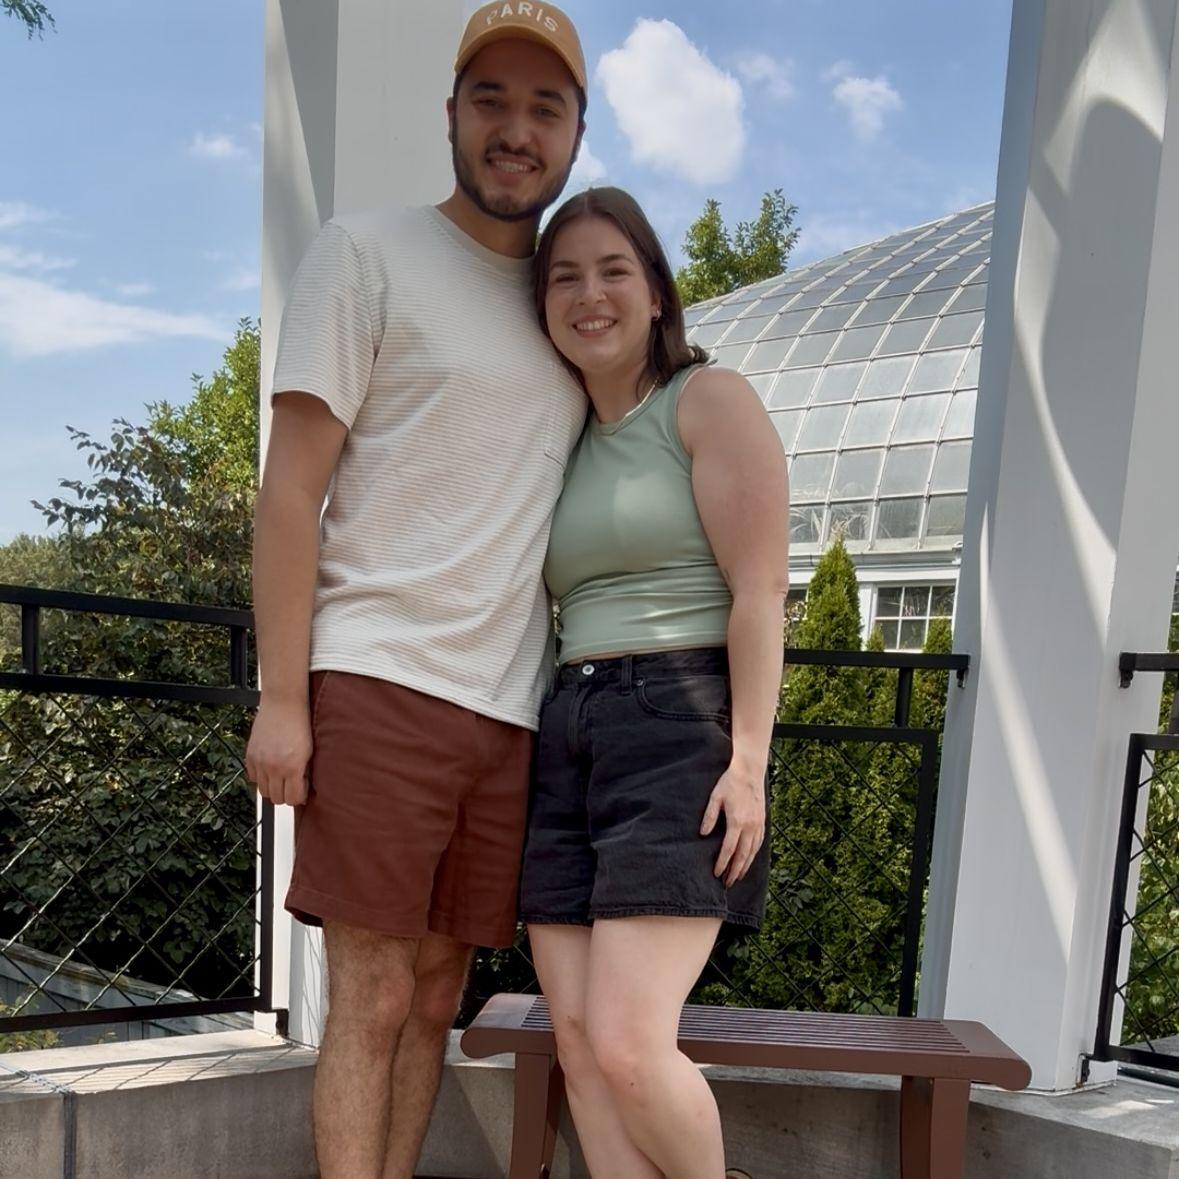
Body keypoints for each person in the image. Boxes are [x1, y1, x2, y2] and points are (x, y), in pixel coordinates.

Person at [243, 5, 588, 1176]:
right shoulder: (366, 251)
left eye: (545, 106)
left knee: (437, 994)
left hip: (510, 709)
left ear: (575, 133)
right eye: (491, 97)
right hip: (381, 679)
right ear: (451, 114)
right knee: (375, 991)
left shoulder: (565, 300)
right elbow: (289, 493)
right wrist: (282, 699)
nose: (515, 128)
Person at [520, 187, 790, 1179]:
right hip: (566, 733)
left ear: (656, 291)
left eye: (613, 270)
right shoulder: (564, 440)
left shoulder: (706, 400)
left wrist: (749, 759)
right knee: (585, 1058)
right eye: (565, 277)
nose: (589, 295)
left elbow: (759, 589)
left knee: (632, 1050)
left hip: (674, 723)